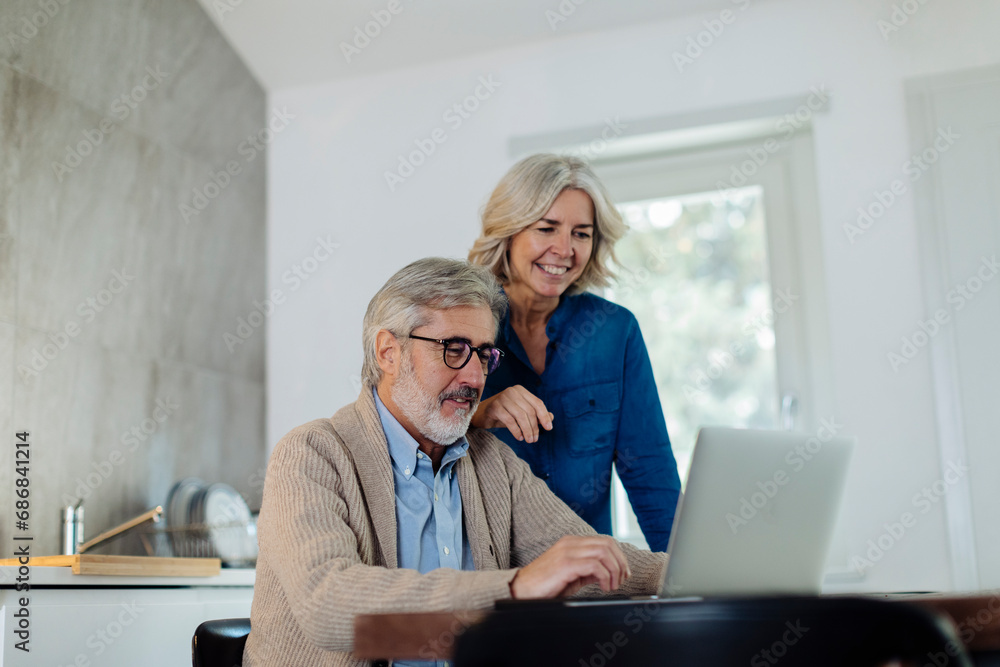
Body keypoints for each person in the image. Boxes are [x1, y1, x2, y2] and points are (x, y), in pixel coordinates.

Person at [243, 258, 666, 667]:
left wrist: (682, 573)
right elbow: (329, 607)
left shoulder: (493, 464)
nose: (475, 378)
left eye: (483, 354)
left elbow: (583, 559)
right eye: (453, 349)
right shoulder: (311, 454)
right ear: (388, 352)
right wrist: (516, 587)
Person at [468, 154, 681, 552]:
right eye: (547, 228)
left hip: (590, 583)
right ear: (509, 231)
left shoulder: (615, 332)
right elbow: (413, 443)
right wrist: (479, 414)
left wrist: (689, 589)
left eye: (581, 234)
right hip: (490, 583)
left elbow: (651, 474)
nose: (564, 250)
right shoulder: (460, 327)